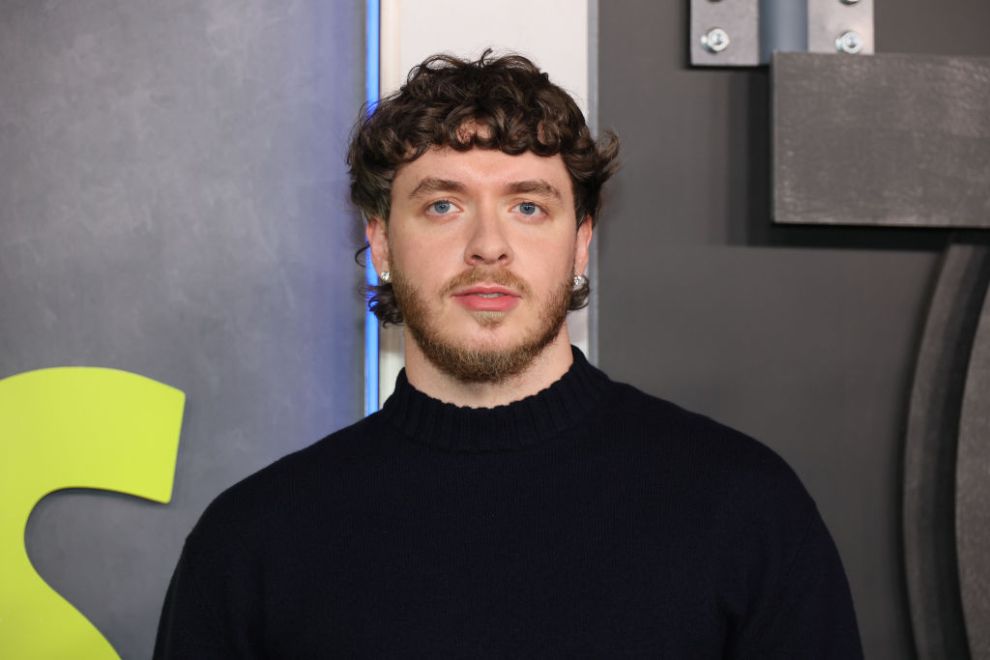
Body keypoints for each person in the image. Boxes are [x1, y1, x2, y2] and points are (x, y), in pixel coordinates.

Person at [154, 51, 863, 658]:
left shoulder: (742, 508)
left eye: (529, 206)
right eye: (443, 206)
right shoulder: (255, 541)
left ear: (581, 241)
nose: (488, 246)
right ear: (380, 245)